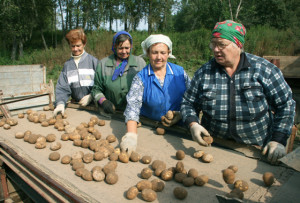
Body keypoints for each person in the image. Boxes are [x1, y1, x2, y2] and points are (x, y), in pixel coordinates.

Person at [180, 20, 296, 164]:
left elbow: (285, 105)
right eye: (213, 44)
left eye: (221, 44)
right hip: (215, 147)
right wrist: (193, 124)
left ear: (238, 45)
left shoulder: (264, 70)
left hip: (257, 150)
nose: (215, 49)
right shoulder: (204, 73)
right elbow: (188, 103)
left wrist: (278, 140)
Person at [120, 34, 191, 155]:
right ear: (148, 53)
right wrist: (131, 135)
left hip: (180, 129)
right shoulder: (140, 77)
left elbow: (192, 98)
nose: (159, 57)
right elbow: (133, 106)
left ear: (168, 53)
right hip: (151, 127)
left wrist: (182, 114)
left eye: (163, 53)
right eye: (154, 52)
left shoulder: (180, 73)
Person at [91, 31, 146, 114]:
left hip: (135, 113)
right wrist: (103, 101)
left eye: (127, 48)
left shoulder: (140, 63)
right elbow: (96, 90)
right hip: (111, 113)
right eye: (120, 48)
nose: (124, 52)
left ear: (131, 46)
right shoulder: (103, 64)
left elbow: (146, 88)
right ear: (114, 47)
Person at [54, 28, 98, 116]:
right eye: (72, 46)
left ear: (84, 44)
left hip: (95, 107)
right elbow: (62, 87)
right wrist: (60, 104)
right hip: (77, 107)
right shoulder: (68, 65)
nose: (75, 49)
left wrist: (92, 95)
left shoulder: (94, 62)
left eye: (78, 46)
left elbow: (102, 84)